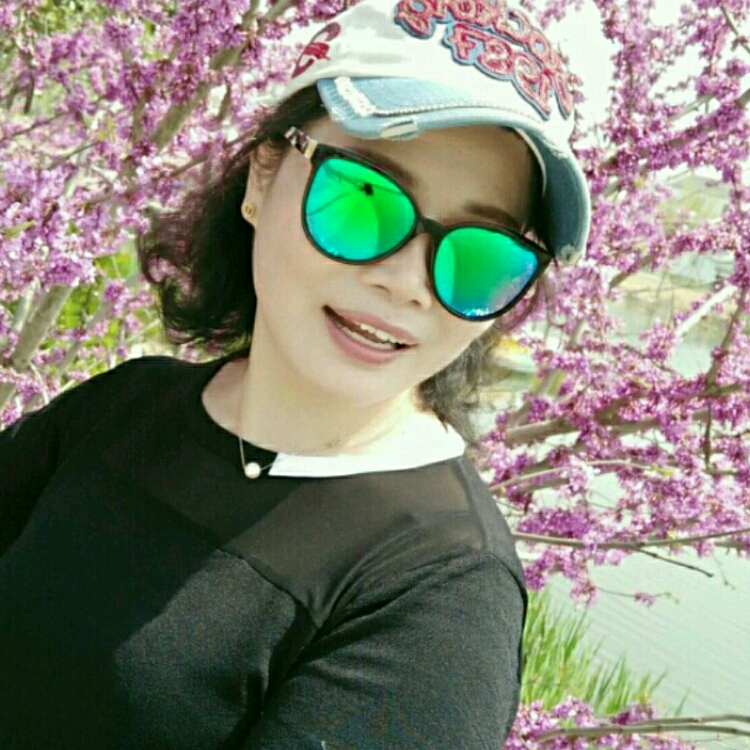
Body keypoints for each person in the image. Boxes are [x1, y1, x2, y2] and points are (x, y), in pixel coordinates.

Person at [0, 0, 591, 746]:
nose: (407, 282)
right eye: (363, 199)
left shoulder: (439, 597)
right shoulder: (129, 403)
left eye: (482, 257)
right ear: (262, 178)